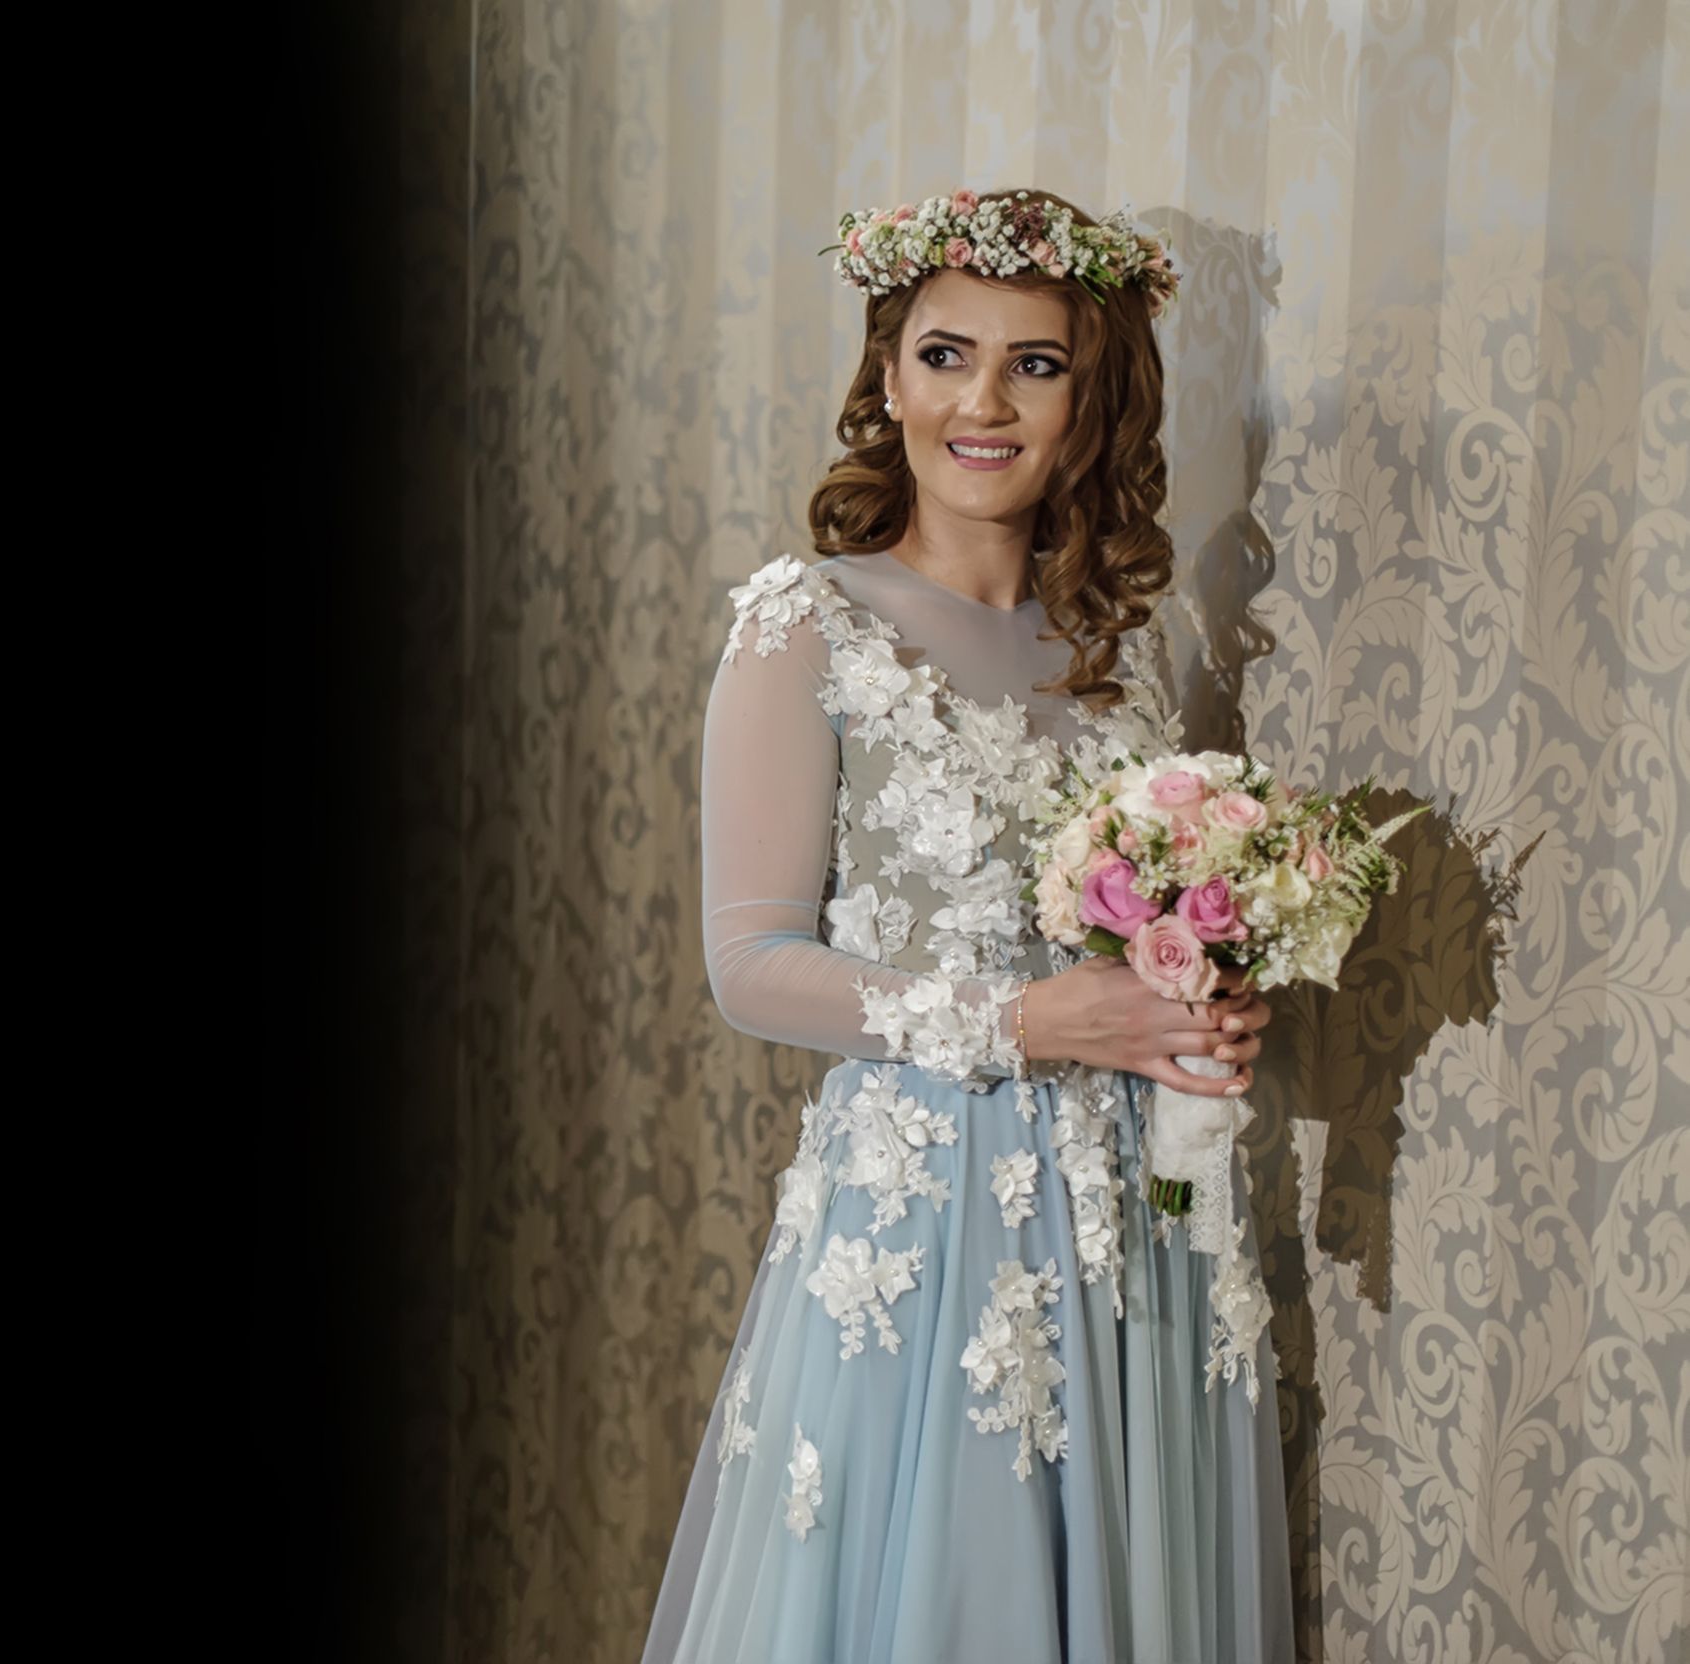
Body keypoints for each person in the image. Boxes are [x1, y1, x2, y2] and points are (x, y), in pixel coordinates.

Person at [639, 189, 1295, 1664]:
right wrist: (1023, 1021)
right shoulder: (806, 623)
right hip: (929, 1226)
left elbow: (1128, 931)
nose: (982, 403)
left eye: (1034, 365)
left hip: (1140, 1213)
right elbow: (750, 967)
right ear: (888, 378)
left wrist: (1195, 1000)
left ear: (1088, 401)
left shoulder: (1124, 654)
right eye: (945, 356)